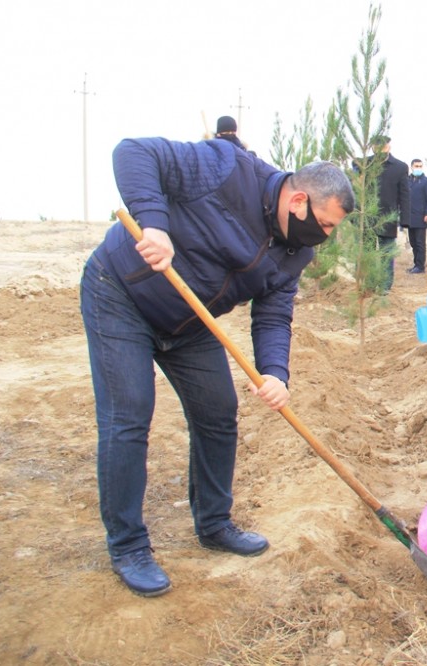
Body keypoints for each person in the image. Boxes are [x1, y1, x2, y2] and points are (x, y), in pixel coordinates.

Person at [81, 136, 354, 597]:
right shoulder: (227, 168)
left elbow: (274, 312)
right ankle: (128, 546)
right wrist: (155, 225)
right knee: (129, 416)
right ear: (299, 199)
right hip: (122, 295)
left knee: (217, 414)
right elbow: (133, 153)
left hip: (191, 322)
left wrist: (275, 373)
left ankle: (214, 523)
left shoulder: (296, 251)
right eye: (324, 225)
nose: (324, 237)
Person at [372, 136, 410, 292]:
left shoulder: (400, 167)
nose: (381, 147)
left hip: (388, 216)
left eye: (385, 144)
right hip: (366, 218)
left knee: (387, 253)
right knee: (365, 252)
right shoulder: (363, 165)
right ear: (372, 147)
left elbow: (404, 195)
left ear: (389, 146)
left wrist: (405, 220)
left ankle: (384, 287)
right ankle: (366, 285)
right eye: (378, 144)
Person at [406, 158, 427, 274]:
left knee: (420, 242)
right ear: (411, 167)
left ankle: (420, 266)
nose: (418, 168)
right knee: (412, 242)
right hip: (409, 217)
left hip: (421, 217)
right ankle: (416, 264)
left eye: (420, 166)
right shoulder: (407, 180)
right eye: (416, 166)